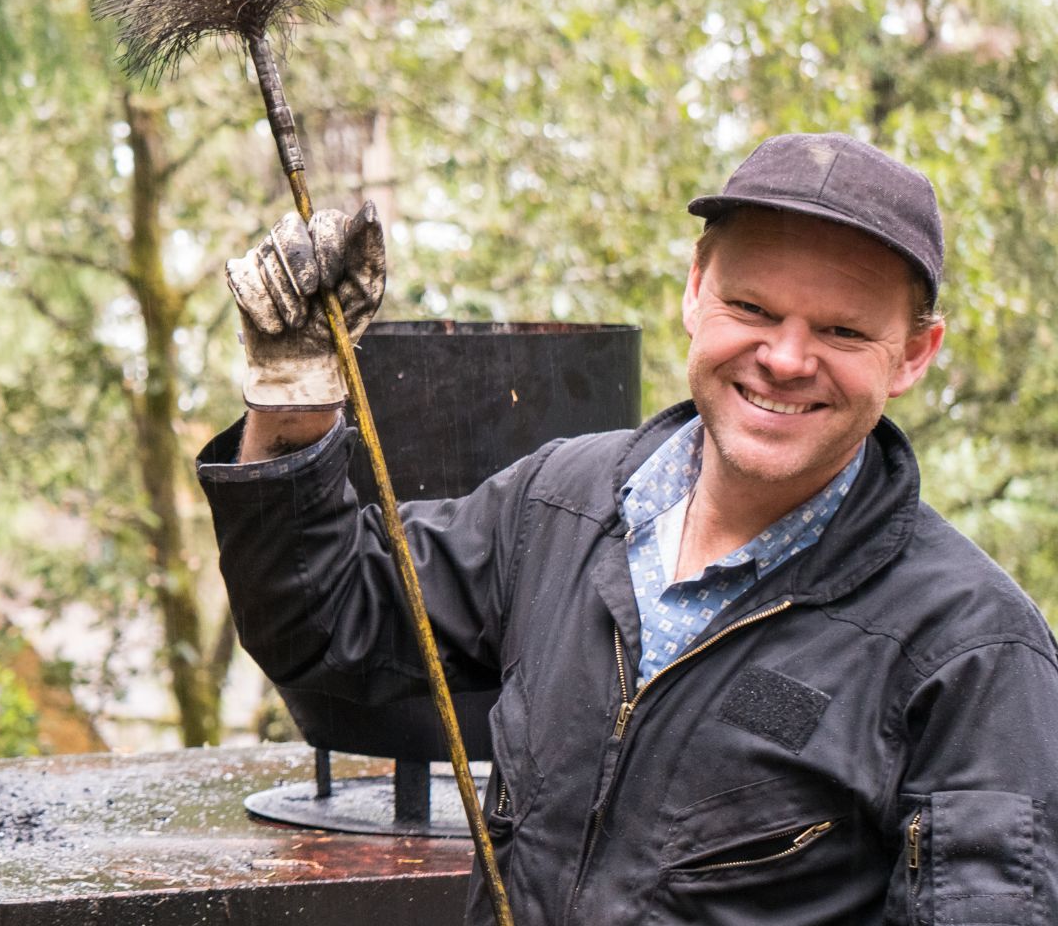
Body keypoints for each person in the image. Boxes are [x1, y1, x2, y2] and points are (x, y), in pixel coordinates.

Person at [196, 132, 1058, 926]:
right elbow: (330, 630)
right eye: (753, 309)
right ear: (695, 290)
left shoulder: (973, 654)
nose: (788, 359)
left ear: (914, 353)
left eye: (840, 330)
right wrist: (293, 393)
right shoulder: (559, 502)